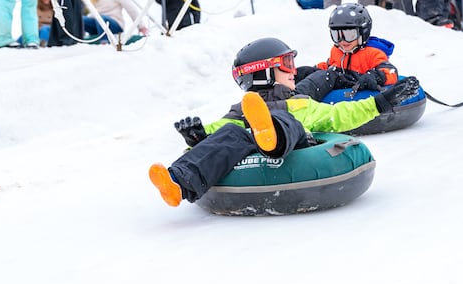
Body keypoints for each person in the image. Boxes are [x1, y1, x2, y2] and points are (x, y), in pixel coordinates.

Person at [147, 37, 421, 207]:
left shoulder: (300, 104)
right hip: (253, 140)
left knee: (283, 120)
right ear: (263, 73)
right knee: (233, 131)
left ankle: (272, 133)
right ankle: (177, 182)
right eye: (286, 64)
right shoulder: (240, 111)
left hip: (295, 144)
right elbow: (217, 133)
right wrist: (197, 136)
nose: (293, 71)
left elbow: (340, 115)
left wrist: (381, 102)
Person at [296, 3, 399, 100]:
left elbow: (391, 72)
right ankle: (286, 92)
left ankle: (300, 99)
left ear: (363, 32)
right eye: (337, 35)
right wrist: (313, 70)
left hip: (357, 84)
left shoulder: (372, 53)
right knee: (305, 72)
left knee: (328, 76)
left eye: (349, 35)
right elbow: (330, 65)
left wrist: (375, 76)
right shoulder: (337, 50)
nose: (343, 41)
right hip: (340, 80)